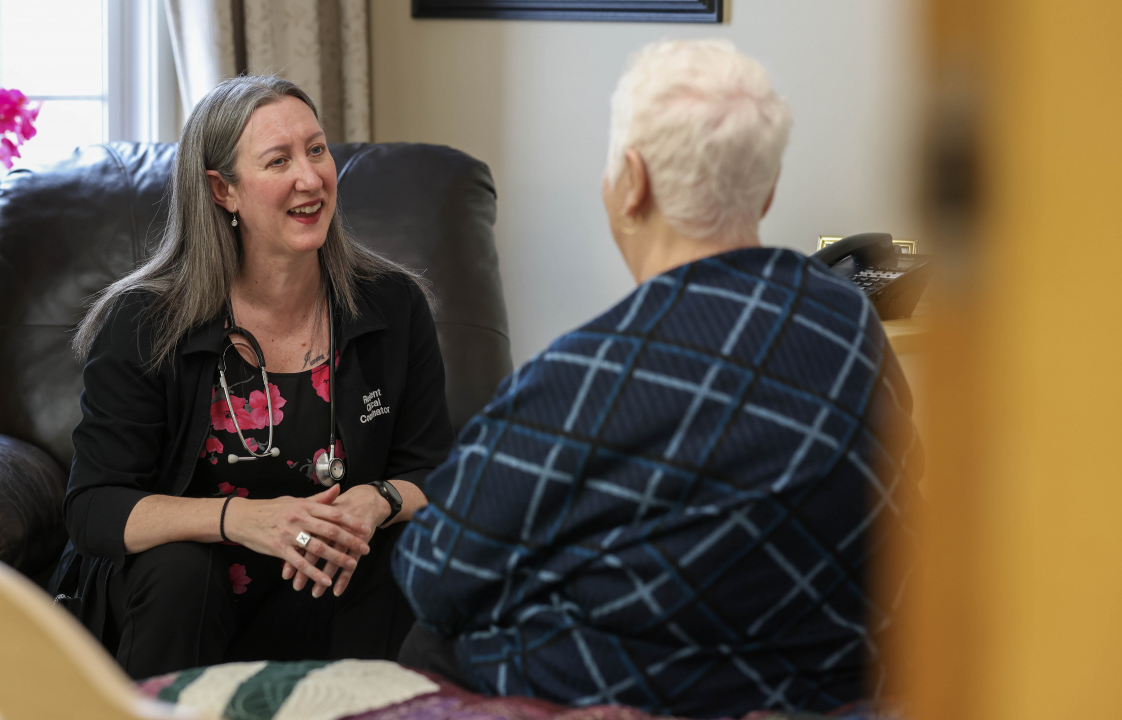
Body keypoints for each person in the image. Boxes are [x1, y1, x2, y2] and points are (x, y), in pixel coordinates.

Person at [391, 39, 922, 718]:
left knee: (432, 639)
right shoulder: (849, 319)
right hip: (835, 678)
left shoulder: (583, 375)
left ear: (631, 181)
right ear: (768, 187)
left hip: (650, 687)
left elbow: (431, 570)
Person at [53, 75, 454, 678]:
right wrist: (242, 520)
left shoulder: (393, 306)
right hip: (184, 605)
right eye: (278, 160)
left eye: (317, 150)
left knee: (405, 549)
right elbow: (95, 509)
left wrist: (377, 502)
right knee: (181, 569)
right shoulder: (145, 322)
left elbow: (435, 469)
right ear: (222, 190)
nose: (310, 178)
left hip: (332, 587)